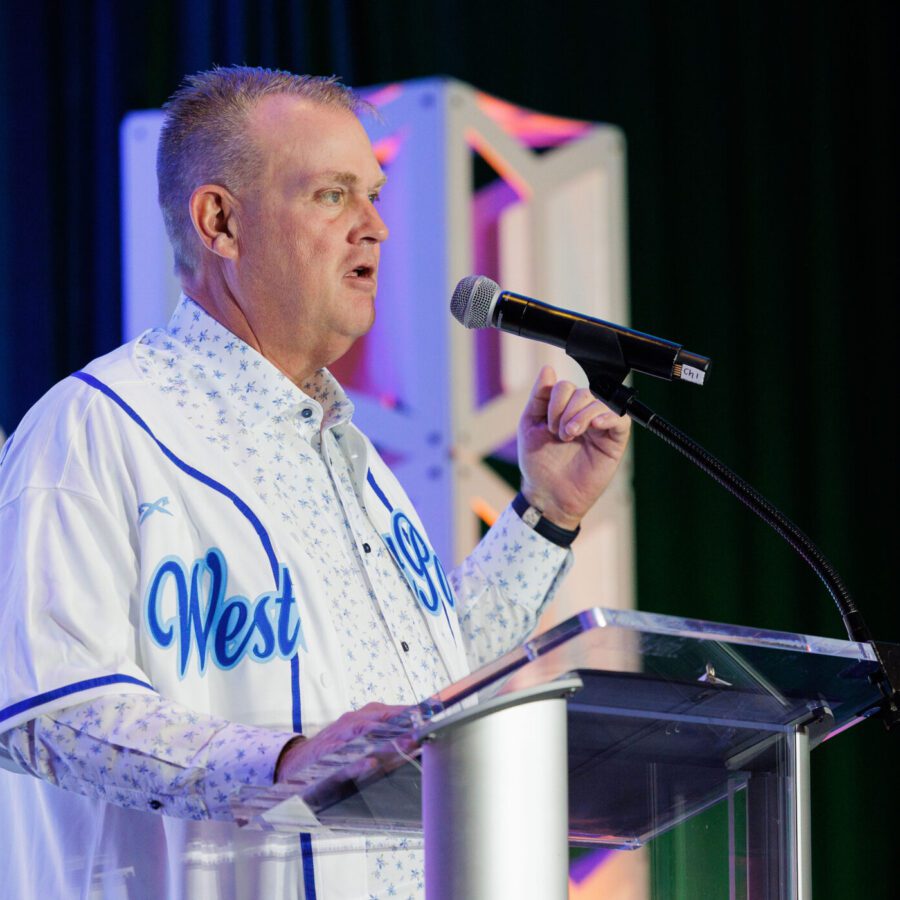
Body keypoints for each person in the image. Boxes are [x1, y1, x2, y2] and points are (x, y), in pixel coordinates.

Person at [0, 67, 631, 899]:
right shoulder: (96, 429)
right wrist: (284, 763)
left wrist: (543, 515)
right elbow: (46, 713)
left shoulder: (357, 460)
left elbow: (425, 702)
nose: (375, 227)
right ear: (220, 221)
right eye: (333, 196)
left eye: (372, 194)